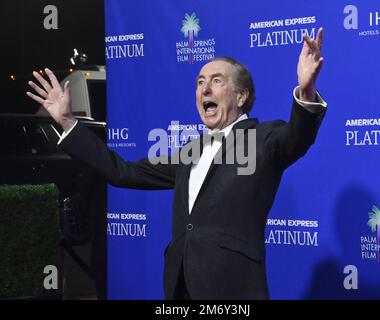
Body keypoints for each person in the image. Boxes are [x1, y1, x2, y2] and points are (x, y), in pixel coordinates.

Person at [27, 28, 326, 299]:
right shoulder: (190, 152)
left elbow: (298, 137)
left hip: (232, 285)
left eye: (217, 81)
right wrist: (67, 122)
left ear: (241, 96)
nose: (204, 89)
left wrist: (307, 90)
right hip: (180, 284)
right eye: (200, 82)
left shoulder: (264, 138)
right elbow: (122, 171)